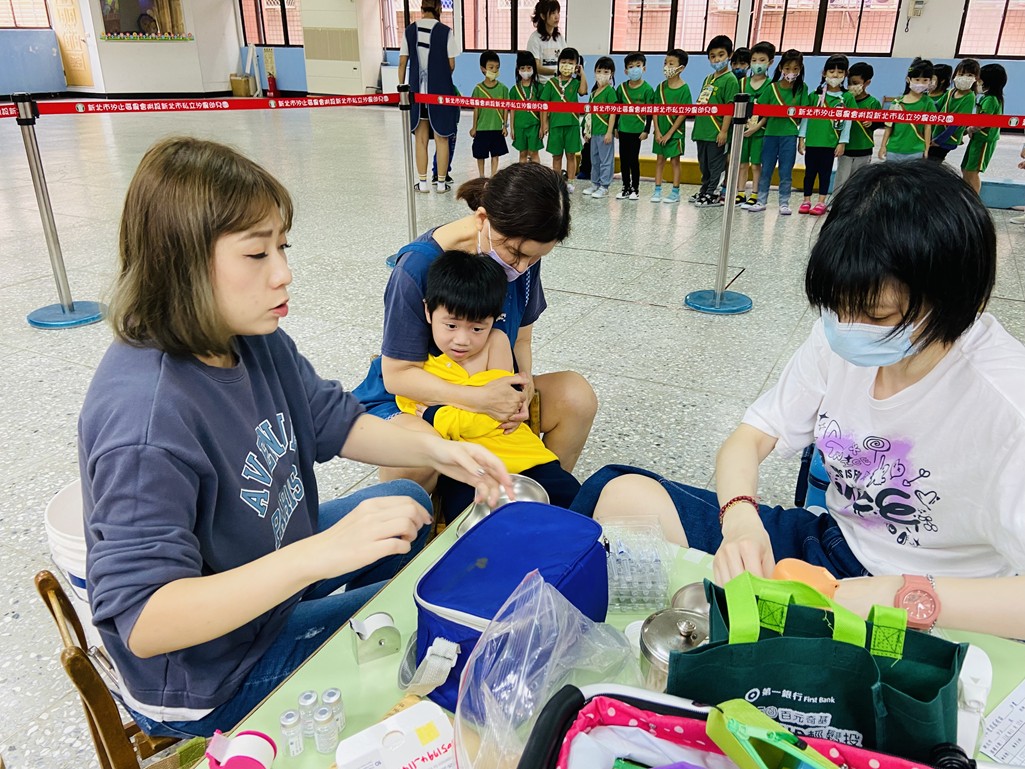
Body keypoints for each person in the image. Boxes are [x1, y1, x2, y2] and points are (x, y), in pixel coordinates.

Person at [80, 137, 514, 739]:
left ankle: (341, 623)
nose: (283, 273)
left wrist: (441, 452)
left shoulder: (247, 337)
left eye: (282, 247)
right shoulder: (146, 421)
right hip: (211, 673)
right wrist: (319, 555)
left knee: (409, 503)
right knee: (430, 628)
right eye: (257, 253)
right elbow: (145, 620)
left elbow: (335, 421)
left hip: (266, 572)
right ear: (179, 263)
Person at [574, 159, 1025, 641]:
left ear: (958, 300)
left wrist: (899, 595)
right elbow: (751, 438)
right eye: (838, 307)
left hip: (938, 599)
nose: (850, 328)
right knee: (622, 497)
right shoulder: (842, 337)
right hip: (830, 548)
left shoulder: (1006, 402)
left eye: (878, 316)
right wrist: (740, 518)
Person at [353, 162, 597, 493]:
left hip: (486, 383)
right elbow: (398, 376)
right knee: (419, 453)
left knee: (576, 397)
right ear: (482, 218)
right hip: (412, 398)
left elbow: (521, 339)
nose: (522, 267)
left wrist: (522, 387)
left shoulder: (523, 258)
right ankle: (422, 514)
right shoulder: (416, 269)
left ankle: (536, 494)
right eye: (516, 253)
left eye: (535, 258)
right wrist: (477, 399)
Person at [397, 250, 582, 520]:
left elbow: (498, 413)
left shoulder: (496, 342)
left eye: (477, 328)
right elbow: (483, 414)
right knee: (476, 526)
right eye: (451, 325)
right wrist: (479, 405)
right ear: (428, 310)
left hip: (527, 456)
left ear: (493, 320)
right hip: (468, 470)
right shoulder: (416, 366)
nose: (462, 340)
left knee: (578, 508)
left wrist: (437, 415)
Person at [398, 0, 458, 194]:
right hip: (439, 93)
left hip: (417, 93)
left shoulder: (409, 31)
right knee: (442, 138)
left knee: (421, 138)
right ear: (439, 8)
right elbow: (451, 65)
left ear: (421, 8)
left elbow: (402, 63)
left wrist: (402, 90)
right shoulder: (446, 32)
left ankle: (422, 183)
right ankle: (440, 184)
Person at [747, 49, 808, 216]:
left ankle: (784, 202)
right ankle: (761, 200)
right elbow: (762, 112)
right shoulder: (771, 88)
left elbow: (804, 116)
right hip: (770, 135)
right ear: (781, 68)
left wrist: (801, 139)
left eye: (795, 69)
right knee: (766, 169)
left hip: (789, 135)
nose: (791, 72)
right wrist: (754, 127)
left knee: (785, 171)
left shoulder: (802, 88)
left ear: (800, 70)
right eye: (787, 68)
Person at [797, 54, 855, 216]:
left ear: (845, 74)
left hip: (830, 143)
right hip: (812, 141)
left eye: (840, 72)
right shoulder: (814, 96)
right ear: (824, 73)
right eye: (831, 71)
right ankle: (806, 200)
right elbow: (806, 118)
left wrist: (842, 142)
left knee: (825, 173)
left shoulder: (847, 97)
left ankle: (821, 202)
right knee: (809, 173)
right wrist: (801, 138)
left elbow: (848, 121)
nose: (835, 75)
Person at [692, 36, 739, 207]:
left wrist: (724, 131)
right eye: (712, 56)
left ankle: (713, 193)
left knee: (715, 164)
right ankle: (705, 189)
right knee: (704, 164)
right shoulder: (708, 78)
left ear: (729, 55)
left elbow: (730, 107)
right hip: (702, 130)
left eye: (721, 55)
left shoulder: (730, 80)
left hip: (716, 131)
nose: (717, 59)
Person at [540, 48, 588, 193]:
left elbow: (583, 91)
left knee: (571, 155)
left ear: (576, 65)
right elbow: (544, 105)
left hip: (572, 125)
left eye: (571, 63)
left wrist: (582, 73)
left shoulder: (575, 83)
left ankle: (571, 182)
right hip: (555, 125)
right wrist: (544, 123)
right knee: (556, 156)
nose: (567, 65)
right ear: (559, 63)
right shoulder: (551, 83)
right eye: (564, 62)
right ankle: (557, 182)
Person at [832, 61, 881, 198]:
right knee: (841, 179)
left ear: (867, 82)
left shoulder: (873, 103)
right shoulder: (843, 99)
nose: (851, 86)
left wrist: (872, 123)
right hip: (845, 149)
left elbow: (880, 122)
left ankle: (856, 203)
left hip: (864, 148)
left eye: (855, 83)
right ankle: (837, 202)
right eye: (849, 82)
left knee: (860, 181)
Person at [650, 49, 692, 205]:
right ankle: (657, 190)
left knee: (675, 162)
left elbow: (683, 114)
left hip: (675, 133)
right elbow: (655, 109)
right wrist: (657, 131)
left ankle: (675, 192)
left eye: (671, 64)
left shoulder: (684, 89)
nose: (667, 66)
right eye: (665, 63)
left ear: (681, 68)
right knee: (659, 160)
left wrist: (669, 134)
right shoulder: (660, 87)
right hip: (660, 131)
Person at [737, 41, 775, 209]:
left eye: (762, 60)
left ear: (770, 62)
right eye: (754, 60)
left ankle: (754, 193)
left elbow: (769, 111)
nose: (757, 64)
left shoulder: (771, 85)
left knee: (756, 164)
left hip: (760, 131)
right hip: (742, 130)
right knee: (742, 163)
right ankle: (740, 192)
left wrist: (756, 127)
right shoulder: (742, 82)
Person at [879, 58, 935, 163]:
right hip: (893, 149)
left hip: (916, 151)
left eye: (925, 80)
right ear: (909, 80)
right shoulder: (897, 103)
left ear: (930, 81)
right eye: (917, 80)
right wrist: (883, 146)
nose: (920, 83)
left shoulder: (928, 103)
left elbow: (928, 127)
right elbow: (889, 126)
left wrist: (926, 149)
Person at [961, 63, 1006, 195]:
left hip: (984, 141)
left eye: (980, 79)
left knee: (972, 171)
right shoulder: (987, 98)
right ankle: (967, 197)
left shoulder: (991, 100)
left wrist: (966, 131)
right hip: (977, 139)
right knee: (965, 169)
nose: (977, 82)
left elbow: (982, 122)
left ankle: (974, 200)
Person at [615, 52, 654, 201]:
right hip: (623, 129)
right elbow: (617, 109)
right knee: (624, 160)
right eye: (631, 67)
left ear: (644, 68)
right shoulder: (621, 88)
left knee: (633, 160)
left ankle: (635, 189)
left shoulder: (647, 89)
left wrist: (646, 130)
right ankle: (625, 187)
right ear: (626, 71)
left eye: (638, 65)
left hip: (637, 131)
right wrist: (615, 127)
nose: (634, 69)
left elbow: (650, 112)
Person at [929, 59, 980, 164]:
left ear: (976, 78)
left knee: (932, 163)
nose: (964, 77)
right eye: (961, 74)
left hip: (947, 139)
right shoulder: (951, 92)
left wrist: (938, 140)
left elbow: (957, 122)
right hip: (937, 134)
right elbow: (936, 106)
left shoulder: (969, 97)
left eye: (969, 75)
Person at [471, 50, 510, 178]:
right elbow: (476, 109)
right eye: (491, 67)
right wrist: (474, 127)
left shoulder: (503, 89)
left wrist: (504, 126)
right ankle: (481, 176)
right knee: (480, 154)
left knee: (495, 154)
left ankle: (493, 176)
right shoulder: (478, 89)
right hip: (482, 128)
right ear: (483, 69)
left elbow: (505, 109)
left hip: (496, 128)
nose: (494, 70)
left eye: (497, 67)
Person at [585, 56, 618, 199]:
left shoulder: (610, 91)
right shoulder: (593, 94)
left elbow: (612, 113)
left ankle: (604, 186)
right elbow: (589, 115)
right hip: (594, 132)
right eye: (599, 71)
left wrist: (609, 132)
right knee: (595, 159)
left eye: (606, 72)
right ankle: (595, 183)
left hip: (604, 132)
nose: (601, 74)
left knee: (606, 160)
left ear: (611, 74)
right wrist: (587, 131)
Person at [510, 50, 543, 164]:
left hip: (534, 126)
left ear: (533, 68)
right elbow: (512, 109)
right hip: (519, 126)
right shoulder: (514, 90)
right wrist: (512, 128)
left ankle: (536, 174)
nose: (526, 71)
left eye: (529, 68)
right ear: (518, 69)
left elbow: (543, 108)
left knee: (534, 153)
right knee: (522, 154)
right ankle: (523, 175)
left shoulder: (539, 88)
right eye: (522, 68)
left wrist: (543, 126)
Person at [527, 0, 565, 85]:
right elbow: (535, 66)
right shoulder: (535, 38)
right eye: (553, 13)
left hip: (559, 84)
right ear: (543, 16)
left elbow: (566, 58)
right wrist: (555, 71)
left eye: (558, 13)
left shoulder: (560, 38)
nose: (557, 17)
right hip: (542, 84)